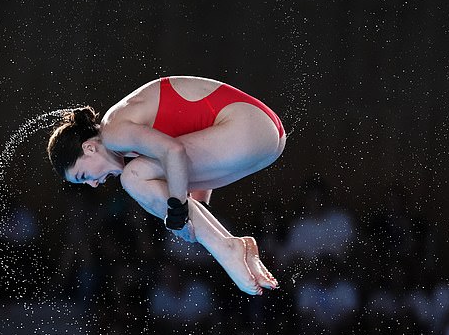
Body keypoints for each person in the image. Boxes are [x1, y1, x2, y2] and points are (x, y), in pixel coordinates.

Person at [47, 76, 286, 295]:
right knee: (165, 179)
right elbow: (192, 150)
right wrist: (197, 216)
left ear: (89, 148)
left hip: (250, 129)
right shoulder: (125, 136)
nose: (93, 184)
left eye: (83, 176)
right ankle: (234, 245)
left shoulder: (113, 132)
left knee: (133, 177)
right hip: (267, 137)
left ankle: (227, 248)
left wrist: (179, 211)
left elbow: (175, 150)